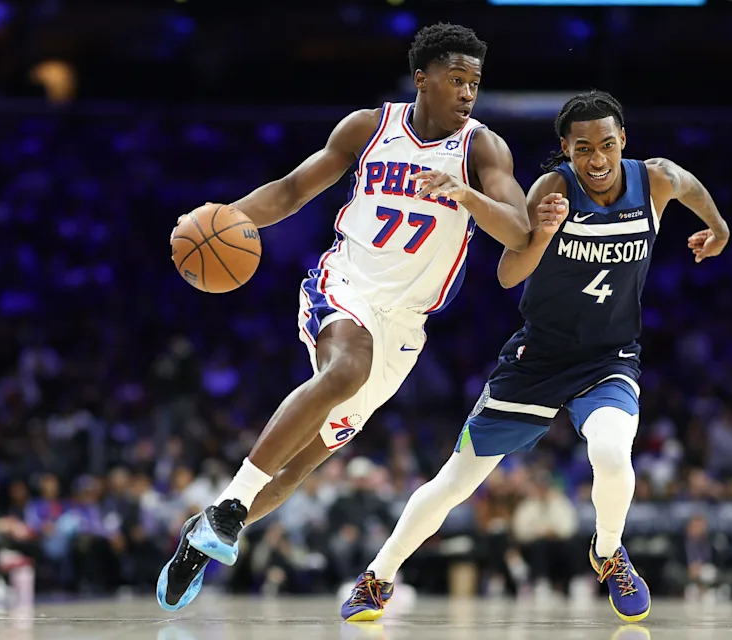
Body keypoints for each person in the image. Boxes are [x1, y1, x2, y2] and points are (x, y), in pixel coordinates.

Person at [156, 22, 533, 611]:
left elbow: (518, 230)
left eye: (475, 83)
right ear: (422, 79)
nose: (466, 93)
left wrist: (466, 195)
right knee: (345, 370)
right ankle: (229, 510)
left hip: (406, 325)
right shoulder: (368, 127)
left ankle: (204, 533)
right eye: (456, 79)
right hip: (346, 285)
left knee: (300, 464)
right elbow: (289, 190)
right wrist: (225, 218)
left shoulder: (483, 148)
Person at [338, 90, 730, 622]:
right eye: (584, 147)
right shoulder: (552, 189)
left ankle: (609, 552)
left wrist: (719, 226)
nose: (597, 159)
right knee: (454, 482)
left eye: (608, 146)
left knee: (613, 455)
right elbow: (507, 274)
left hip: (608, 357)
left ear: (623, 143)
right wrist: (543, 234)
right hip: (538, 358)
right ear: (565, 148)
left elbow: (690, 185)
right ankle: (377, 577)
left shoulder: (654, 179)